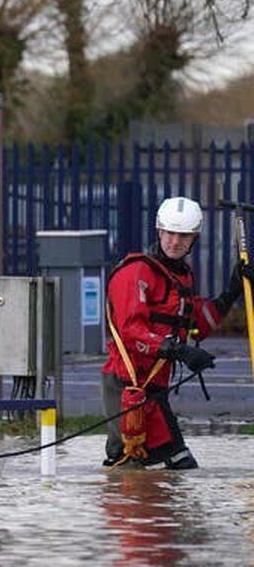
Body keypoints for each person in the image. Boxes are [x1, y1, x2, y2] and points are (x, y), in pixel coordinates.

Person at [102, 196, 249, 469]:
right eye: (170, 233)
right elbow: (131, 331)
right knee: (133, 464)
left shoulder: (180, 276)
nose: (175, 242)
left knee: (166, 470)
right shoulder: (136, 273)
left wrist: (232, 290)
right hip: (128, 384)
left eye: (183, 236)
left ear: (194, 238)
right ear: (159, 231)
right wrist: (179, 350)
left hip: (153, 388)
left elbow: (197, 325)